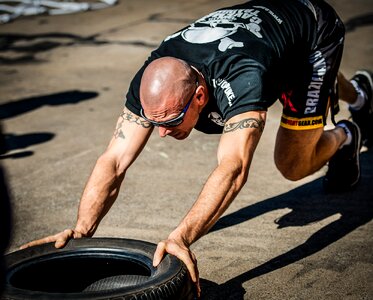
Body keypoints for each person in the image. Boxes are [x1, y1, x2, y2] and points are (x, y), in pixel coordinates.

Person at [21, 0, 372, 296]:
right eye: (153, 122)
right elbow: (114, 161)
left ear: (201, 97)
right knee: (288, 66)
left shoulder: (243, 78)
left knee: (292, 163)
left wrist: (181, 237)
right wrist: (82, 231)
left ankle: (345, 135)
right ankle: (360, 93)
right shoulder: (155, 77)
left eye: (171, 122)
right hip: (270, 35)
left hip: (312, 32)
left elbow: (233, 168)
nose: (160, 134)